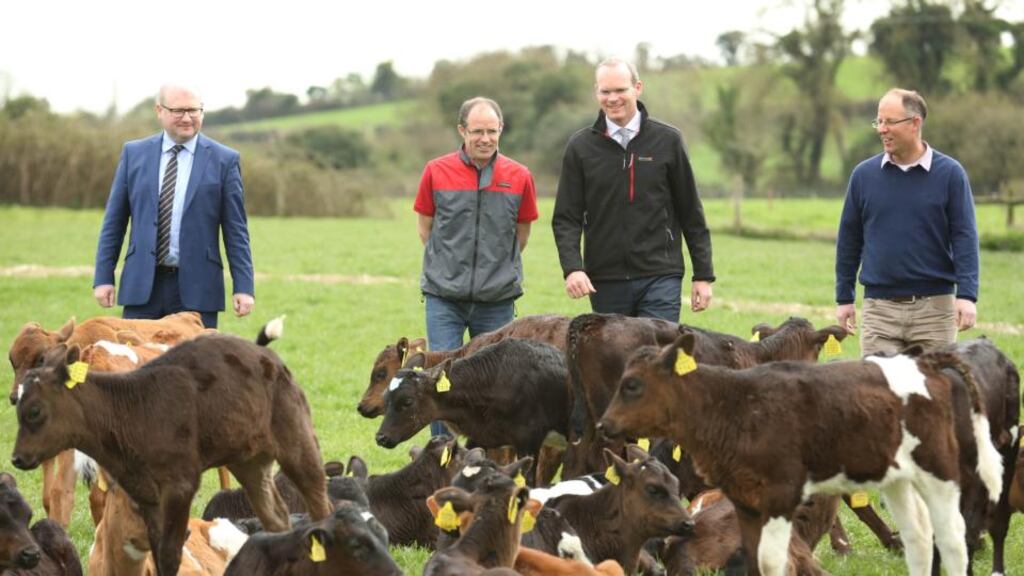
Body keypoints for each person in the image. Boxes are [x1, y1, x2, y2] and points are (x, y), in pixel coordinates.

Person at [552, 58, 715, 322]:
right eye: (605, 91)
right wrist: (572, 269)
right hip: (605, 279)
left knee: (656, 356)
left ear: (637, 88)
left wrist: (703, 275)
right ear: (596, 92)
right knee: (615, 360)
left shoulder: (668, 140)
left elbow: (691, 212)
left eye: (620, 90)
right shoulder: (580, 147)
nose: (613, 98)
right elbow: (566, 218)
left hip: (661, 274)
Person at [414, 96, 538, 436]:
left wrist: (495, 268)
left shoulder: (520, 176)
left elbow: (522, 233)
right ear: (462, 130)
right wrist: (449, 266)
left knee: (494, 384)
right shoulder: (435, 171)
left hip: (497, 301)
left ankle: (488, 461)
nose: (485, 138)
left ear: (501, 131)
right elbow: (425, 227)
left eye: (492, 131)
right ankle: (440, 458)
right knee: (439, 379)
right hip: (444, 298)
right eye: (477, 131)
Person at [93, 84, 254, 329]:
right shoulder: (134, 154)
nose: (187, 117)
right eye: (179, 110)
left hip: (198, 290)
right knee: (137, 365)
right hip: (142, 287)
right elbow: (114, 223)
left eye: (194, 110)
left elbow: (236, 231)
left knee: (195, 367)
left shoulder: (225, 160)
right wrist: (103, 278)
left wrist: (243, 287)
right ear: (160, 111)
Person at [835, 88, 979, 356]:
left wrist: (967, 295)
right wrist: (844, 298)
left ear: (915, 124)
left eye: (889, 121)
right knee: (876, 395)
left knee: (937, 396)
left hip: (935, 313)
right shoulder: (863, 176)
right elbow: (849, 240)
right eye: (879, 121)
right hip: (879, 313)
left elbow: (964, 237)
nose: (881, 129)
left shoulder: (950, 175)